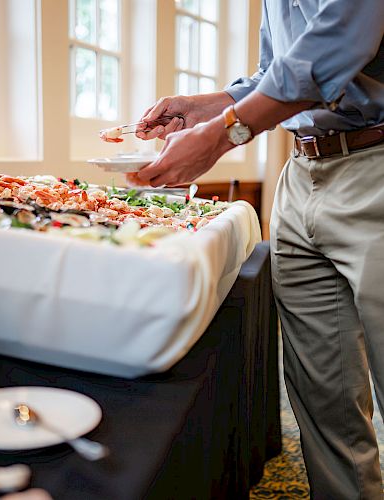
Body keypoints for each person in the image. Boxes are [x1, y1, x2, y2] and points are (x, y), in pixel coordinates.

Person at [132, 1, 384, 499]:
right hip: (302, 175)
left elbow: (336, 44)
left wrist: (223, 133)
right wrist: (209, 105)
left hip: (376, 166)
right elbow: (277, 70)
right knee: (322, 398)